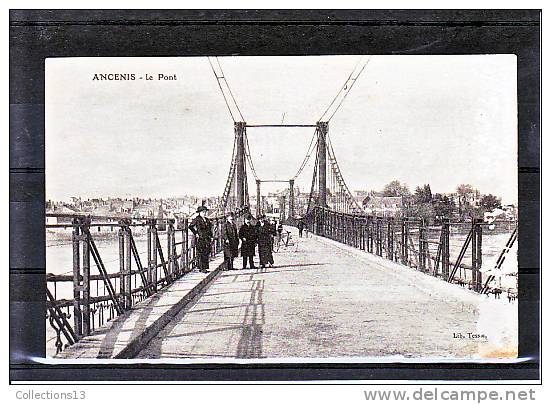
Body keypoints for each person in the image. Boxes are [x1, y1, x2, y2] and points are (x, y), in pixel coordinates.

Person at [188, 205, 213, 273]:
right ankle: (201, 268)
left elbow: (209, 229)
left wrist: (211, 236)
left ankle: (205, 267)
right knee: (201, 252)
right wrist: (196, 233)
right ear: (199, 212)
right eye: (203, 212)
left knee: (206, 252)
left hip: (207, 238)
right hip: (200, 238)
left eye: (205, 212)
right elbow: (190, 226)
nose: (204, 213)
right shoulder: (197, 219)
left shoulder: (207, 220)